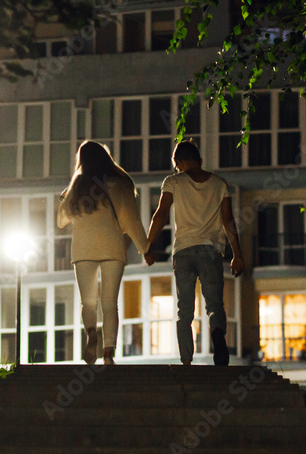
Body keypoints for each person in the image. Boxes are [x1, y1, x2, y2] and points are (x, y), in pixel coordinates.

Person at [146, 140, 244, 366]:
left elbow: (160, 215)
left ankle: (187, 361)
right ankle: (218, 335)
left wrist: (148, 245)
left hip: (183, 252)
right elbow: (228, 221)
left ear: (179, 162)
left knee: (185, 310)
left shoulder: (173, 182)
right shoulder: (220, 184)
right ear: (199, 161)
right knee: (214, 305)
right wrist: (237, 255)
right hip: (210, 251)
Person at [57, 141, 151, 365]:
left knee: (88, 302)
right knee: (109, 303)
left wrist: (66, 196)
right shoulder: (120, 184)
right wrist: (145, 248)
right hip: (111, 247)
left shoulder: (78, 185)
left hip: (83, 249)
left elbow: (61, 220)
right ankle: (108, 353)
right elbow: (132, 222)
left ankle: (91, 333)